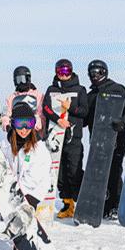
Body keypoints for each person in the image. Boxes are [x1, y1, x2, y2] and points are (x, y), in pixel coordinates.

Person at [0, 101, 55, 250]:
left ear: (33, 124)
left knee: (23, 216)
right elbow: (1, 164)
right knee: (14, 216)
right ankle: (20, 243)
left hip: (33, 191)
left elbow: (37, 177)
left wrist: (24, 199)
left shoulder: (39, 148)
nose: (23, 129)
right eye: (19, 124)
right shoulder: (6, 145)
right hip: (13, 190)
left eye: (28, 124)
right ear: (13, 124)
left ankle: (33, 242)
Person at [85, 60, 125, 219]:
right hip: (97, 140)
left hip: (116, 139)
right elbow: (84, 118)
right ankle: (101, 205)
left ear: (105, 72)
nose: (95, 75)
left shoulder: (118, 89)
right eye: (92, 72)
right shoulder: (91, 95)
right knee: (98, 174)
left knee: (114, 172)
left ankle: (115, 205)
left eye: (98, 71)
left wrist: (124, 122)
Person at [42, 59, 88, 219]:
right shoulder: (51, 89)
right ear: (56, 72)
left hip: (73, 138)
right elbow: (46, 108)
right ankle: (67, 204)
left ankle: (80, 203)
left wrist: (71, 108)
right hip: (55, 137)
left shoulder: (80, 90)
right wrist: (57, 119)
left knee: (74, 171)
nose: (63, 75)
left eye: (66, 71)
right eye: (60, 72)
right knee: (59, 173)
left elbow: (84, 111)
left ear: (72, 71)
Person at [2, 65, 44, 133]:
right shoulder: (11, 98)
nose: (21, 83)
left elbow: (41, 115)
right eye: (18, 80)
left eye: (22, 79)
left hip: (35, 132)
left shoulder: (38, 95)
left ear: (28, 79)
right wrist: (7, 126)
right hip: (18, 131)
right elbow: (5, 115)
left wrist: (37, 125)